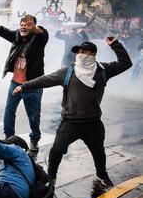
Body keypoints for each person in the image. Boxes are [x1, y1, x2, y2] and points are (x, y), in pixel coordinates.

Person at [13, 37, 133, 186]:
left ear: (94, 54)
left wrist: (115, 45)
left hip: (93, 123)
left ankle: (102, 174)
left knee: (99, 152)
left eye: (85, 52)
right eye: (79, 52)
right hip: (71, 122)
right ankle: (51, 177)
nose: (81, 54)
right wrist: (24, 86)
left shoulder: (104, 70)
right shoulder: (68, 71)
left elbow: (126, 63)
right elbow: (45, 80)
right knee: (56, 150)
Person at [0, 14, 48, 159]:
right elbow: (7, 32)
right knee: (9, 111)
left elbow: (43, 33)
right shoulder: (17, 36)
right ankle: (9, 139)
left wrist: (35, 28)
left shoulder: (39, 39)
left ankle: (34, 140)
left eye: (27, 24)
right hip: (15, 83)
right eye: (21, 24)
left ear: (33, 26)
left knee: (33, 116)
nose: (23, 26)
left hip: (32, 85)